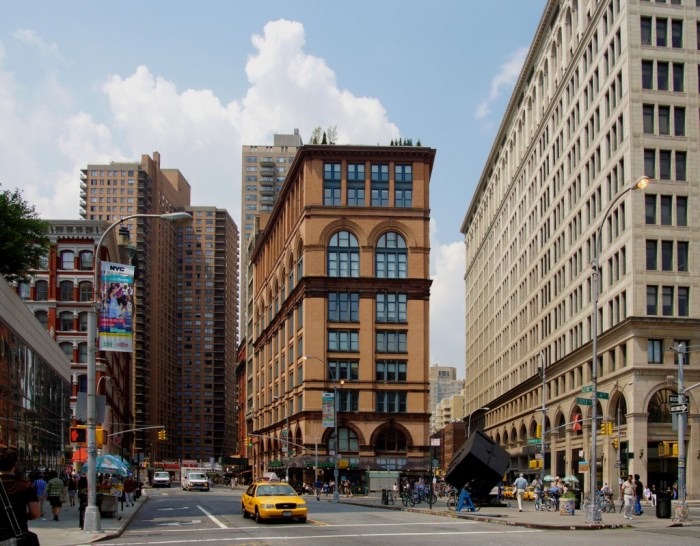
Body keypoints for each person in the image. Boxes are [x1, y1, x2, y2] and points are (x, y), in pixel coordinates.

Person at [0, 447, 40, 545]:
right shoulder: (25, 486)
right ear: (15, 464)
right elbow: (35, 513)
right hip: (17, 536)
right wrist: (24, 517)